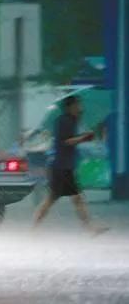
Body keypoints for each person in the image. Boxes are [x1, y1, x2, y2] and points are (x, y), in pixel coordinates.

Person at [34, 95, 108, 235]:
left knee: (72, 198)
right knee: (56, 199)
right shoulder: (64, 121)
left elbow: (72, 140)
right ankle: (33, 230)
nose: (80, 107)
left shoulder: (72, 121)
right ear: (70, 107)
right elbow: (66, 142)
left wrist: (84, 135)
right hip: (61, 167)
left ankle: (90, 228)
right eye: (77, 105)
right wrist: (83, 138)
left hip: (65, 166)